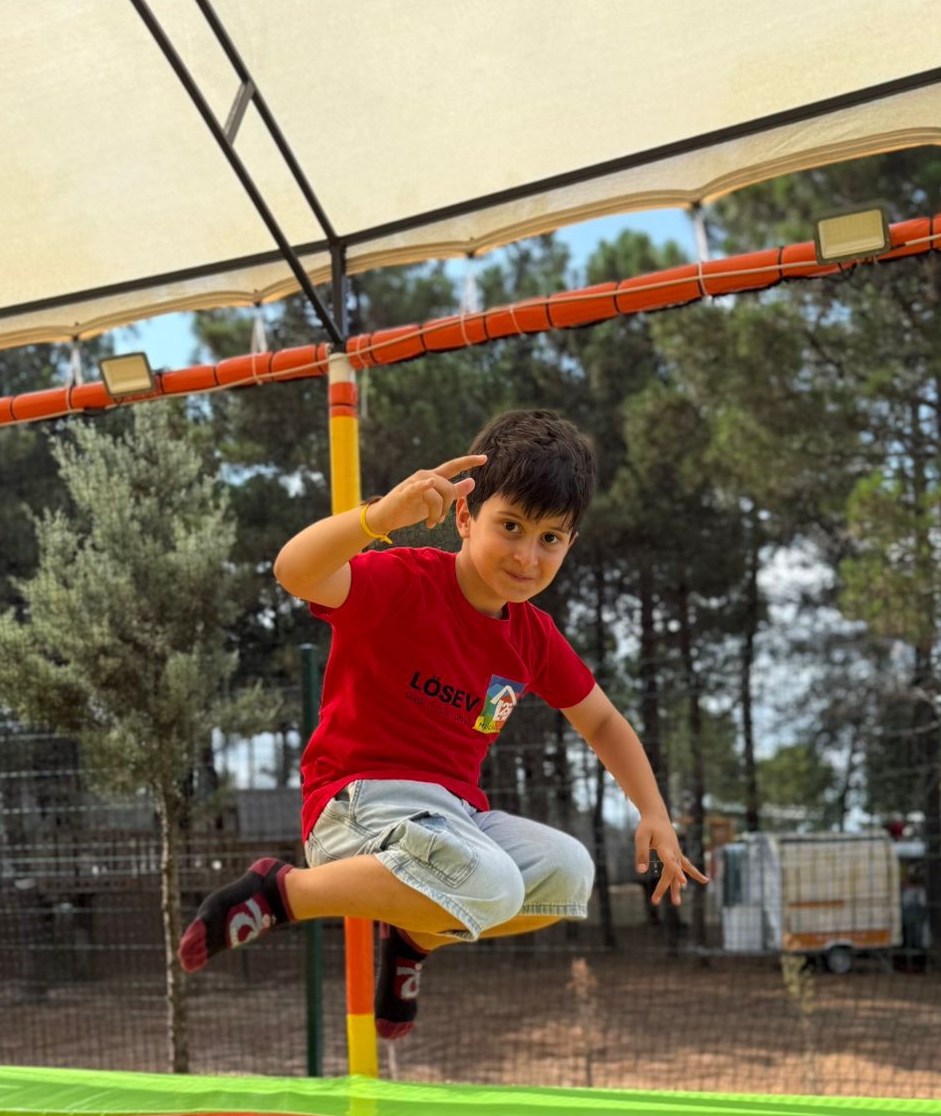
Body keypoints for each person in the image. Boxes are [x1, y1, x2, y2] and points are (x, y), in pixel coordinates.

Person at [179, 409, 706, 1038]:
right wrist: (378, 518)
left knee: (570, 872)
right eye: (510, 527)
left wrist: (653, 812)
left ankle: (415, 938)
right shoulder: (405, 583)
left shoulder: (532, 637)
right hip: (357, 803)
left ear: (570, 544)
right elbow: (294, 571)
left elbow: (603, 723)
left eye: (550, 538)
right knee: (494, 884)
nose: (527, 556)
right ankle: (280, 891)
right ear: (464, 517)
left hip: (452, 818)